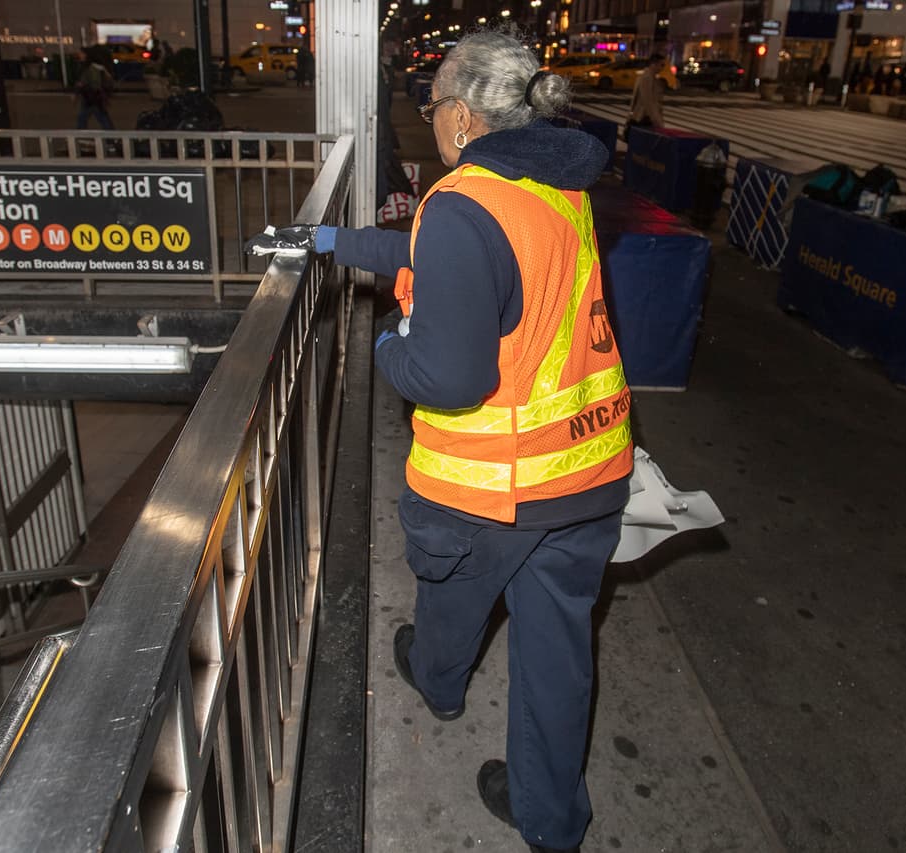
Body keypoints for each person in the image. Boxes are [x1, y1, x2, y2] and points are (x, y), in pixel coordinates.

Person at [245, 27, 632, 853]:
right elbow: (440, 253)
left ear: (458, 115)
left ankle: (439, 682)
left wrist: (389, 348)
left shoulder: (465, 203)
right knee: (557, 654)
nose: (428, 121)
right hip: (590, 472)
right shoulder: (552, 190)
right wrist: (327, 241)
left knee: (448, 611)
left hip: (490, 489)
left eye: (430, 108)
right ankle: (550, 817)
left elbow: (450, 375)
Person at [74, 47, 114, 130]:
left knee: (85, 117)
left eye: (81, 53)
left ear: (86, 55)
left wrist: (82, 85)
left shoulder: (91, 67)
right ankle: (112, 136)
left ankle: (111, 136)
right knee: (98, 116)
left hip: (92, 96)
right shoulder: (88, 66)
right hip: (92, 96)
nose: (79, 55)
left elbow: (95, 82)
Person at [628, 53, 667, 130]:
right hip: (643, 118)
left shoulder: (651, 77)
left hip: (645, 118)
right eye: (661, 65)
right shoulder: (647, 77)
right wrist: (657, 121)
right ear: (653, 64)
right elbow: (648, 100)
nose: (662, 68)